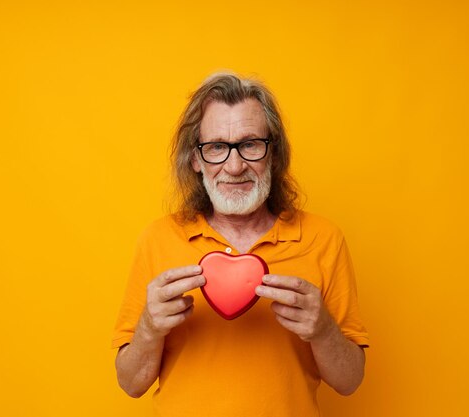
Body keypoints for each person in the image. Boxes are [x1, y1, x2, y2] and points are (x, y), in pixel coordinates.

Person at [112, 72, 369, 416]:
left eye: (249, 144)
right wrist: (149, 327)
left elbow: (349, 381)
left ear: (274, 155)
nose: (234, 166)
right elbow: (131, 384)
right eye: (216, 147)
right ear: (195, 160)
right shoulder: (158, 239)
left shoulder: (324, 239)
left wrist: (322, 329)